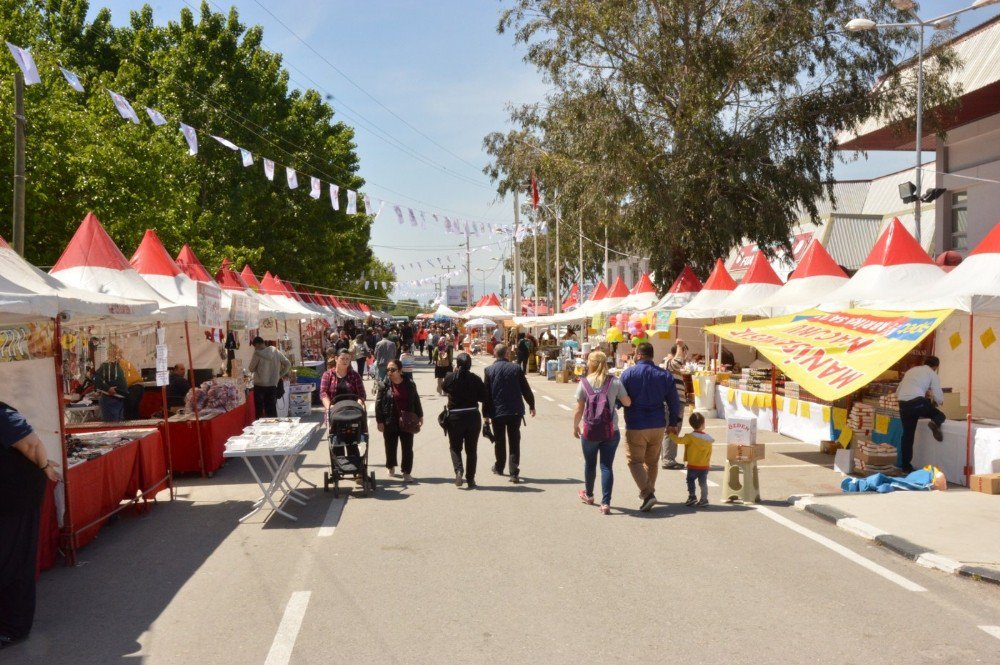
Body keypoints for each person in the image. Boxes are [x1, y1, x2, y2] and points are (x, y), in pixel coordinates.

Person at [0, 402, 61, 650]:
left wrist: (45, 466)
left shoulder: (3, 415)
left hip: (15, 499)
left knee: (13, 562)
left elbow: (31, 444)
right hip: (9, 498)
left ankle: (14, 629)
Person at [619, 342, 683, 512]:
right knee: (652, 462)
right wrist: (673, 423)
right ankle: (650, 492)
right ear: (651, 355)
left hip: (636, 424)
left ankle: (648, 494)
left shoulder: (628, 374)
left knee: (634, 461)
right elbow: (674, 401)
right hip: (658, 424)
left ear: (638, 355)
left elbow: (619, 399)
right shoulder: (664, 375)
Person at [573, 350, 631, 515]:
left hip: (590, 431)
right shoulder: (614, 382)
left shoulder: (584, 382)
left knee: (590, 464)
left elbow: (579, 408)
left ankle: (589, 495)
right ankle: (606, 503)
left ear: (590, 363)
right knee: (606, 466)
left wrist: (575, 426)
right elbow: (627, 402)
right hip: (610, 430)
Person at [483, 343, 536, 483]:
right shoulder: (516, 368)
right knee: (514, 441)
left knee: (499, 440)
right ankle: (514, 473)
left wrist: (485, 416)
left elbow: (486, 396)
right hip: (514, 411)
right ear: (507, 354)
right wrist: (532, 405)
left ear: (495, 353)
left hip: (497, 412)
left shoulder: (489, 370)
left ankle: (499, 467)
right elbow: (525, 389)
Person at [442, 352, 487, 488]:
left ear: (457, 364)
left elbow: (444, 388)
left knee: (455, 447)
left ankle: (459, 470)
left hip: (455, 417)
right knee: (471, 450)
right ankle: (471, 479)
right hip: (473, 416)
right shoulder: (475, 379)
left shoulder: (450, 377)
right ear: (470, 365)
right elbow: (484, 397)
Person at [375, 359, 423, 482]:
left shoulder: (410, 383)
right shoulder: (384, 385)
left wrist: (420, 415)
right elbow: (378, 403)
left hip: (407, 420)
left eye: (393, 370)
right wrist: (379, 421)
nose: (390, 372)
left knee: (407, 447)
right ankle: (390, 466)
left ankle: (406, 472)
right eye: (388, 370)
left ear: (400, 371)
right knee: (390, 446)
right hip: (389, 419)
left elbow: (416, 400)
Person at [896, 356, 946, 473]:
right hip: (918, 401)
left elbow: (899, 390)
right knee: (940, 415)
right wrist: (940, 402)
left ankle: (906, 466)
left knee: (908, 435)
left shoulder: (911, 370)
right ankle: (934, 423)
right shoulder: (932, 374)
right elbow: (937, 392)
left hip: (903, 404)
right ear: (935, 367)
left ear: (924, 362)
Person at [669, 411, 714, 507]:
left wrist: (671, 434)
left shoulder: (690, 437)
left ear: (691, 425)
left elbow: (678, 440)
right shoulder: (708, 438)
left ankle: (692, 496)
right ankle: (704, 499)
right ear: (703, 424)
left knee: (690, 480)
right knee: (703, 483)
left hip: (693, 465)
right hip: (704, 465)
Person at [661, 341, 690, 470]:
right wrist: (680, 346)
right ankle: (668, 459)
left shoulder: (670, 365)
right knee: (672, 430)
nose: (685, 356)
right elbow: (678, 361)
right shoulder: (669, 363)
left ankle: (668, 457)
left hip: (676, 402)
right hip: (673, 403)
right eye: (685, 353)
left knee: (672, 430)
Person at [248, 336, 292, 419]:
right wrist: (280, 375)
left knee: (259, 411)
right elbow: (288, 364)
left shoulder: (257, 353)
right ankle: (274, 428)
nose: (255, 349)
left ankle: (259, 430)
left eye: (255, 347)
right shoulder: (276, 351)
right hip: (272, 385)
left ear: (257, 345)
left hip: (260, 386)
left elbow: (251, 368)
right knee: (271, 410)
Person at [94, 353, 128, 422]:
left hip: (119, 400)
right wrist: (107, 388)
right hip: (110, 400)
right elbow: (95, 378)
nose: (121, 357)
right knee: (112, 427)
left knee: (118, 427)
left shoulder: (118, 367)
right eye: (119, 354)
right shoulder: (106, 365)